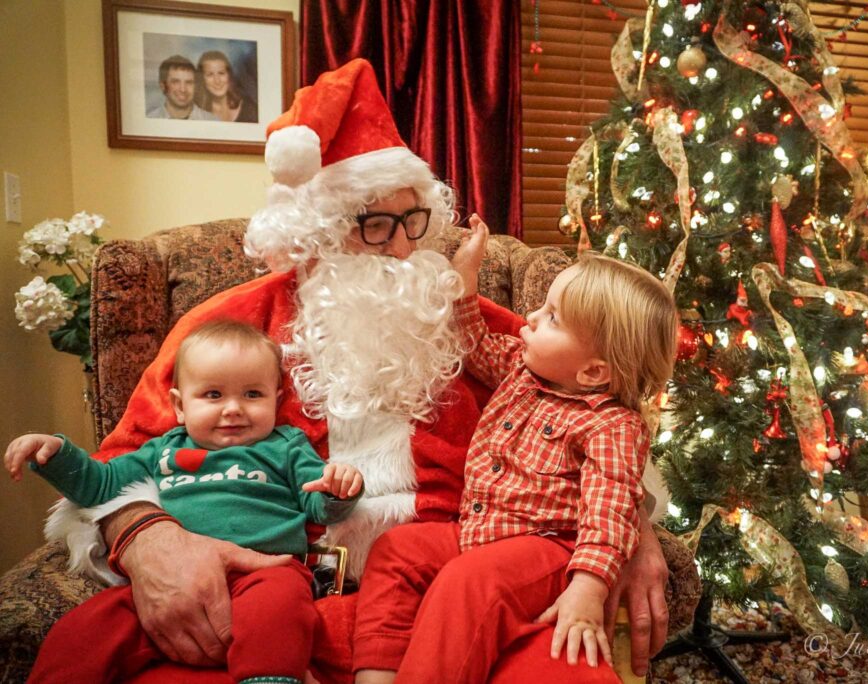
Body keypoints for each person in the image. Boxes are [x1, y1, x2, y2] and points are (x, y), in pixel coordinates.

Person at [41, 59, 670, 683]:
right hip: (268, 599)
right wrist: (150, 541)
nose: (401, 248)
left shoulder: (489, 328)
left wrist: (631, 540)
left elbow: (606, 434)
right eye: (374, 225)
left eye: (413, 220)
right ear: (317, 230)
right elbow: (124, 461)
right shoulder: (227, 329)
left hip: (450, 599)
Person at [351, 218, 677, 684]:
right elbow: (474, 342)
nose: (530, 319)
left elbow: (610, 510)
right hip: (478, 531)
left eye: (551, 318)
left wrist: (588, 585)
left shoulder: (612, 426)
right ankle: (376, 675)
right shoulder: (522, 371)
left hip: (547, 548)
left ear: (592, 372)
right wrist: (466, 279)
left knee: (469, 585)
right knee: (397, 550)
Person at [6, 320, 364, 683]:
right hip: (171, 579)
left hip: (265, 570)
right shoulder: (163, 450)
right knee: (84, 628)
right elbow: (101, 486)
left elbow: (316, 504)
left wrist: (337, 489)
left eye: (253, 395)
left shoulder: (286, 446)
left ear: (277, 399)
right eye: (213, 395)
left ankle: (269, 677)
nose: (233, 409)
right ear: (179, 406)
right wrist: (55, 454)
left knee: (283, 609)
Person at [147, 55, 218, 121]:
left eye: (189, 82)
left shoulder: (211, 120)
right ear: (163, 86)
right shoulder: (150, 119)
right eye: (176, 82)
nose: (183, 89)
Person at [195, 50, 258, 123]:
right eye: (210, 75)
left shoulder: (250, 109)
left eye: (221, 73)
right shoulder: (196, 114)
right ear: (201, 79)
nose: (217, 81)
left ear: (229, 75)